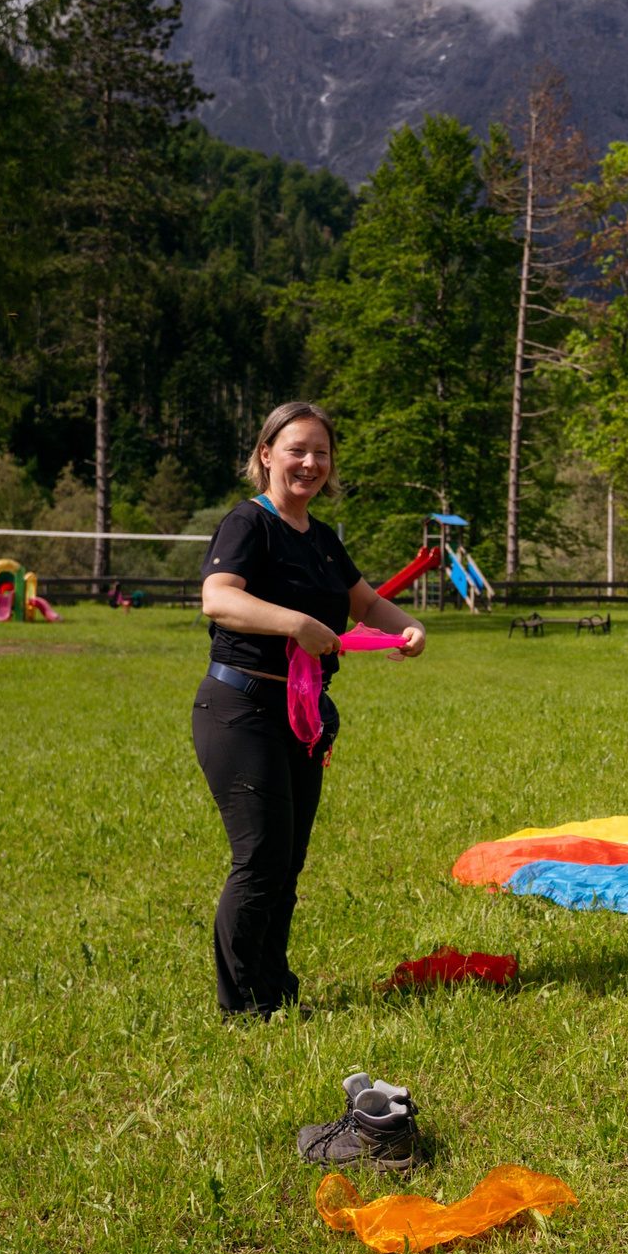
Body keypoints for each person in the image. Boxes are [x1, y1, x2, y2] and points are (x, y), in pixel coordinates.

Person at [194, 402, 425, 1020]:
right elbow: (218, 600)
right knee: (262, 858)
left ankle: (274, 989)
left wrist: (408, 629)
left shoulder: (321, 539)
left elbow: (367, 605)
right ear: (266, 454)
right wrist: (296, 623)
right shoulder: (248, 524)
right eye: (296, 449)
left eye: (321, 452)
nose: (310, 463)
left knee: (287, 863)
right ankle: (243, 1007)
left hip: (301, 715)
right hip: (240, 706)